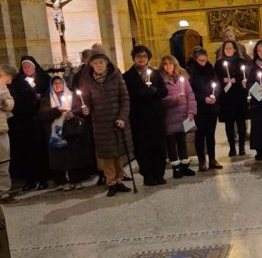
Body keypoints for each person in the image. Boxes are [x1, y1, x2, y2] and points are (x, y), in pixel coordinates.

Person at [73, 47, 131, 197]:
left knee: (118, 153)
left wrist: (122, 117)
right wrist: (85, 109)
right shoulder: (87, 80)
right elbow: (85, 101)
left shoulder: (116, 76)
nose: (98, 65)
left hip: (117, 120)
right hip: (101, 123)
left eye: (100, 62)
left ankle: (119, 179)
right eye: (95, 63)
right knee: (107, 155)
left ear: (106, 63)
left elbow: (125, 98)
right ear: (91, 65)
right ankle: (111, 182)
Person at [123, 45, 168, 187]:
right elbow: (125, 96)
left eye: (144, 56)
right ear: (134, 58)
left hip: (156, 116)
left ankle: (159, 174)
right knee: (142, 147)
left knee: (158, 146)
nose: (141, 59)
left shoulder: (155, 73)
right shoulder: (127, 76)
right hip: (139, 118)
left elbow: (164, 91)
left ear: (148, 58)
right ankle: (148, 175)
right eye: (138, 56)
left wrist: (155, 92)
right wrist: (140, 93)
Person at [38, 74, 92, 189]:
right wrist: (57, 111)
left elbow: (79, 108)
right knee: (58, 157)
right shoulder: (46, 99)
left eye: (60, 83)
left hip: (71, 131)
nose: (58, 85)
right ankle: (62, 181)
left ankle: (76, 179)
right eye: (55, 83)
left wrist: (73, 113)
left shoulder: (72, 96)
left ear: (64, 84)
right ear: (51, 86)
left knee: (74, 155)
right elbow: (43, 115)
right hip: (55, 133)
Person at [9, 56, 50, 191]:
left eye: (29, 66)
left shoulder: (44, 78)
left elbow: (50, 94)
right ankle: (30, 180)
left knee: (40, 150)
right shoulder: (17, 81)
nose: (26, 69)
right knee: (26, 151)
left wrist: (40, 97)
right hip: (23, 120)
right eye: (24, 67)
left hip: (39, 119)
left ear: (35, 67)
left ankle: (43, 178)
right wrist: (28, 96)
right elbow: (13, 98)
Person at [159, 55, 197, 179]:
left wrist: (191, 111)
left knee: (182, 141)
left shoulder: (182, 78)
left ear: (175, 65)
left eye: (170, 63)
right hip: (170, 117)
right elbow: (160, 100)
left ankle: (185, 166)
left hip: (183, 115)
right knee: (171, 143)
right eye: (165, 64)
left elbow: (190, 96)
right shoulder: (160, 80)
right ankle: (176, 168)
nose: (168, 66)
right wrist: (174, 99)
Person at [187, 47, 221, 171]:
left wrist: (215, 95)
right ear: (195, 59)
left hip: (212, 107)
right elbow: (191, 90)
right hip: (199, 107)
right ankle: (202, 161)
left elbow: (217, 84)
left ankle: (212, 159)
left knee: (210, 134)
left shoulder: (210, 68)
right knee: (200, 135)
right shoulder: (191, 71)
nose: (203, 63)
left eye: (205, 60)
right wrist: (204, 98)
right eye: (200, 60)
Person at [215, 41, 249, 157]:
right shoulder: (219, 63)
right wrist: (223, 80)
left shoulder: (241, 61)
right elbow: (216, 77)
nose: (228, 50)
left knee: (241, 122)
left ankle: (242, 147)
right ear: (223, 50)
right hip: (226, 97)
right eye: (226, 48)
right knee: (229, 123)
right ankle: (232, 148)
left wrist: (236, 79)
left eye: (230, 48)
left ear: (235, 49)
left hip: (239, 95)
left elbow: (245, 75)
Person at [0, 64, 15, 203]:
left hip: (1, 129)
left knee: (3, 164)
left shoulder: (1, 85)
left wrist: (5, 103)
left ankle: (4, 192)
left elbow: (10, 102)